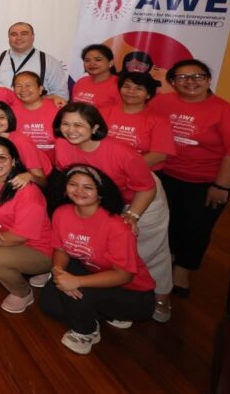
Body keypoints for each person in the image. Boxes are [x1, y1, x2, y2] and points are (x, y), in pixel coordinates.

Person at [53, 102, 172, 321]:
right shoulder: (61, 144)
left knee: (147, 253)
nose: (71, 130)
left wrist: (133, 215)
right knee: (111, 254)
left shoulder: (121, 152)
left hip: (140, 197)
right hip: (100, 200)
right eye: (66, 124)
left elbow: (146, 187)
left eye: (79, 125)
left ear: (96, 128)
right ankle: (114, 298)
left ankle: (161, 298)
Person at [148, 59, 230, 298]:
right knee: (170, 221)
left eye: (197, 76)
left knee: (197, 228)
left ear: (208, 79)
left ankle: (183, 272)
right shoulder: (160, 103)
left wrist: (221, 186)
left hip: (207, 182)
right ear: (172, 82)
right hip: (167, 175)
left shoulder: (227, 111)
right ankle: (167, 260)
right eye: (182, 77)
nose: (190, 82)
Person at [41, 167, 157, 355]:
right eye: (73, 185)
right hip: (94, 271)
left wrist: (76, 281)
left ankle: (87, 331)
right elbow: (60, 249)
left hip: (134, 292)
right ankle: (104, 311)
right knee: (49, 303)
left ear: (101, 193)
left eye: (88, 187)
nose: (79, 191)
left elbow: (125, 276)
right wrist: (58, 272)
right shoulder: (61, 213)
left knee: (76, 295)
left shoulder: (118, 226)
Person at [0, 137, 53, 314]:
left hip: (38, 248)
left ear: (13, 161)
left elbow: (20, 237)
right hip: (5, 238)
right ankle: (23, 270)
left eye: (2, 158)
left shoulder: (27, 192)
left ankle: (23, 293)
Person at [101, 71, 176, 168]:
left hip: (142, 172)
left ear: (148, 94)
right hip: (105, 168)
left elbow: (158, 155)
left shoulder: (159, 121)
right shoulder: (102, 112)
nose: (131, 91)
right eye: (127, 87)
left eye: (139, 88)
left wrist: (121, 168)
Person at [0, 22, 69, 99]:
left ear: (33, 37)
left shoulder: (50, 63)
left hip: (34, 114)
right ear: (8, 38)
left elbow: (61, 96)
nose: (19, 38)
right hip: (1, 113)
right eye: (14, 34)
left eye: (24, 34)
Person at [0, 100, 51, 186]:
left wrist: (29, 176)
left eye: (1, 117)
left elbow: (43, 181)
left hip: (42, 181)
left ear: (9, 118)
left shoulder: (20, 142)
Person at [12, 71, 60, 156]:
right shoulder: (11, 112)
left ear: (40, 89)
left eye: (28, 85)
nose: (23, 90)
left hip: (55, 163)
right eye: (18, 86)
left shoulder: (58, 108)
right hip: (24, 163)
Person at [71, 44, 120, 110]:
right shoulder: (81, 82)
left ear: (110, 63)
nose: (92, 64)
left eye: (98, 60)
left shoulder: (120, 85)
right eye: (87, 60)